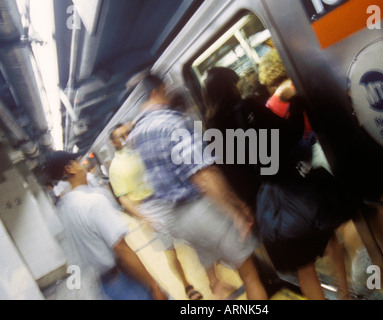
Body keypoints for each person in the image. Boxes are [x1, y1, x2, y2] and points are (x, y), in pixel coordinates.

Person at [203, 67, 353, 300]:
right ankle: (345, 294)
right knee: (329, 236)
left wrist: (248, 207)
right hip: (292, 189)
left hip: (267, 210)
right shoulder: (247, 107)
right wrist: (297, 103)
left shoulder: (211, 131)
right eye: (236, 82)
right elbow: (288, 134)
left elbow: (231, 176)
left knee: (305, 268)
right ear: (230, 86)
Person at [126, 73, 268, 300]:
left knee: (216, 279)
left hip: (178, 219)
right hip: (203, 209)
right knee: (250, 276)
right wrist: (236, 209)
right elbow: (204, 175)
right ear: (155, 92)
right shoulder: (171, 122)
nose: (167, 94)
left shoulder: (138, 134)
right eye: (164, 90)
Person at [45, 151, 168, 300]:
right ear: (70, 169)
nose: (82, 166)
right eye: (77, 162)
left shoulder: (61, 212)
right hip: (126, 281)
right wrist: (154, 286)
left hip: (105, 287)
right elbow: (122, 249)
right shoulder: (92, 202)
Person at [108, 122, 203, 300]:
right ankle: (187, 285)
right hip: (149, 207)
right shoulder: (116, 167)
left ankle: (213, 278)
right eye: (121, 135)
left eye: (128, 132)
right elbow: (124, 198)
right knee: (170, 250)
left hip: (169, 196)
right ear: (114, 143)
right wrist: (144, 217)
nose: (127, 137)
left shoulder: (146, 146)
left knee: (196, 236)